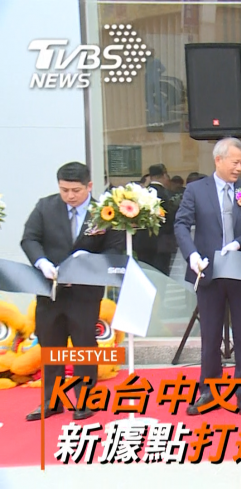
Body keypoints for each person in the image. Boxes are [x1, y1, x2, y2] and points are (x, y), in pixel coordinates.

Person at [20, 162, 124, 421]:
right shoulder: (45, 207)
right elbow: (30, 238)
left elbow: (115, 248)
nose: (70, 196)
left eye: (76, 190)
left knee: (83, 345)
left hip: (84, 293)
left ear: (89, 186)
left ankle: (84, 401)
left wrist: (88, 260)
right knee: (51, 345)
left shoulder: (104, 212)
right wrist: (41, 262)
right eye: (64, 190)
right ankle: (51, 401)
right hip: (51, 290)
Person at [174, 137, 241, 416]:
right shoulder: (196, 190)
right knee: (210, 335)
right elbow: (181, 225)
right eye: (235, 162)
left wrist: (238, 243)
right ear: (218, 160)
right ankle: (209, 391)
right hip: (208, 271)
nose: (239, 168)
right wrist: (191, 255)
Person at [133, 163, 177, 274]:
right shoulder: (166, 194)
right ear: (164, 175)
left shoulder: (141, 193)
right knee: (160, 275)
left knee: (145, 274)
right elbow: (170, 219)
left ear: (150, 176)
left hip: (142, 242)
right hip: (162, 244)